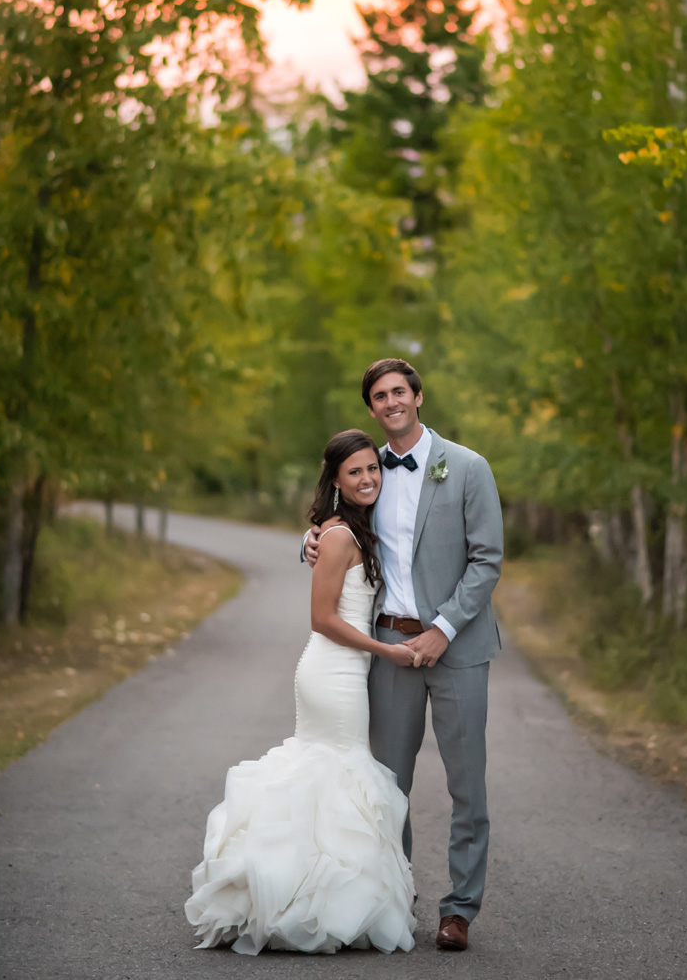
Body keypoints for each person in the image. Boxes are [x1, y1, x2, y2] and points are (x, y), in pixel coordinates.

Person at [185, 429, 417, 956]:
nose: (367, 479)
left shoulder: (350, 529)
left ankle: (323, 900)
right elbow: (322, 618)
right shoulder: (338, 535)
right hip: (332, 672)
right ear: (335, 479)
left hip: (347, 670)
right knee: (335, 773)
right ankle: (305, 904)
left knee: (331, 778)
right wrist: (389, 653)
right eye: (354, 472)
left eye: (372, 469)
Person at [303, 359, 503, 952]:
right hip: (390, 645)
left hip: (458, 646)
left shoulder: (467, 467)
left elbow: (487, 559)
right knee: (388, 784)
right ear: (371, 408)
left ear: (418, 396)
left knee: (467, 785)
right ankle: (395, 896)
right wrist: (310, 538)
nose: (391, 402)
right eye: (379, 396)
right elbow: (339, 528)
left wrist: (443, 628)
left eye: (399, 392)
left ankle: (459, 910)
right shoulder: (371, 472)